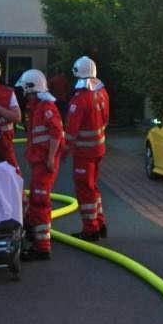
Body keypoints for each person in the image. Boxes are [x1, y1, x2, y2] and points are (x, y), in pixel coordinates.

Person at [15, 68, 65, 261]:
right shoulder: (36, 108)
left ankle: (42, 246)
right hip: (39, 163)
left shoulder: (46, 108)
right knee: (36, 200)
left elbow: (57, 134)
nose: (24, 94)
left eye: (25, 90)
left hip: (44, 164)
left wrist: (51, 158)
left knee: (41, 202)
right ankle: (34, 234)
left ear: (31, 88)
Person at [64, 55, 110, 240]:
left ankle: (90, 230)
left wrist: (63, 151)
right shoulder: (102, 93)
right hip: (99, 148)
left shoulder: (80, 99)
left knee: (85, 189)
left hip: (84, 152)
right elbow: (105, 119)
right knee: (93, 188)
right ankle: (100, 223)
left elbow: (71, 131)